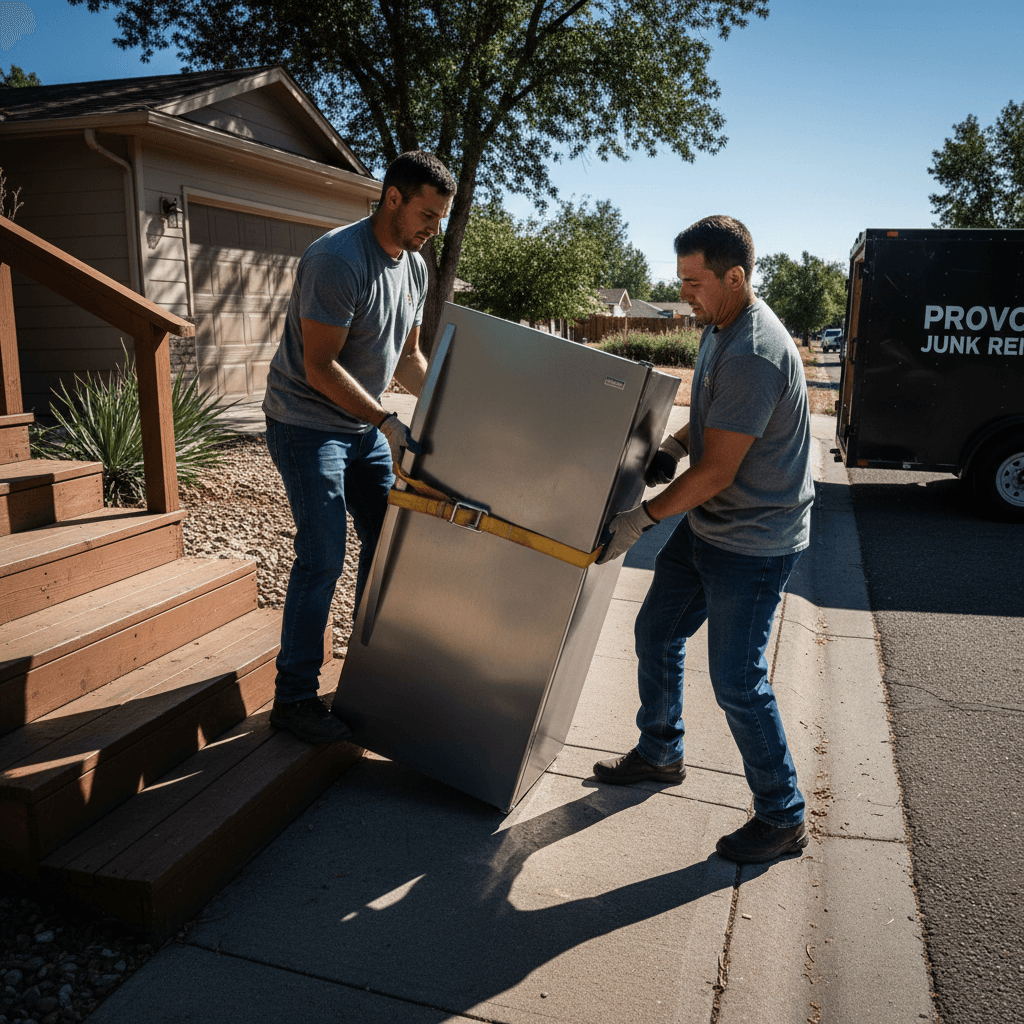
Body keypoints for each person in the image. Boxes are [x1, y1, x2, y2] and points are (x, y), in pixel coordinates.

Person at [593, 215, 815, 864]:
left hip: (754, 542)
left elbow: (718, 473)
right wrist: (673, 443)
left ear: (734, 277)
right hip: (712, 527)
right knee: (657, 631)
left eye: (693, 282)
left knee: (739, 683)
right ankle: (660, 752)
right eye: (681, 280)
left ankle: (783, 816)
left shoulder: (754, 351)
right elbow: (715, 422)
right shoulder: (721, 327)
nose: (683, 293)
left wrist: (641, 519)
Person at [261, 151, 456, 744]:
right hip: (306, 423)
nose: (434, 228)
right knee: (323, 555)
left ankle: (368, 670)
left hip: (361, 426)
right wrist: (386, 421)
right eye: (427, 214)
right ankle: (294, 698)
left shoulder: (414, 267)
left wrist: (455, 408)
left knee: (389, 539)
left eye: (441, 218)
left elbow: (408, 359)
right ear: (392, 198)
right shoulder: (337, 259)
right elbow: (319, 367)